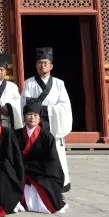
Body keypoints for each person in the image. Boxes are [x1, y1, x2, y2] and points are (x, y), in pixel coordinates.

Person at [20, 47, 73, 192]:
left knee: (56, 153)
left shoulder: (58, 84)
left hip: (52, 124)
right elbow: (26, 103)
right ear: (36, 65)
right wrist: (39, 109)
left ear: (51, 66)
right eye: (39, 63)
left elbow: (64, 106)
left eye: (45, 63)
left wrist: (44, 109)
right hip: (35, 125)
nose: (42, 65)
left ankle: (59, 182)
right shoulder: (29, 83)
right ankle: (36, 183)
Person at [15, 102, 68, 214]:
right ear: (24, 116)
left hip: (41, 171)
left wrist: (30, 168)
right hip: (20, 170)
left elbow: (51, 161)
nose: (32, 118)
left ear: (40, 117)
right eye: (29, 114)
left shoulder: (47, 137)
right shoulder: (16, 134)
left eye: (35, 115)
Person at [0, 54, 22, 129]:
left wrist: (9, 108)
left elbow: (19, 103)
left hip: (9, 120)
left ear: (5, 71)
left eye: (1, 70)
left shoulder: (13, 86)